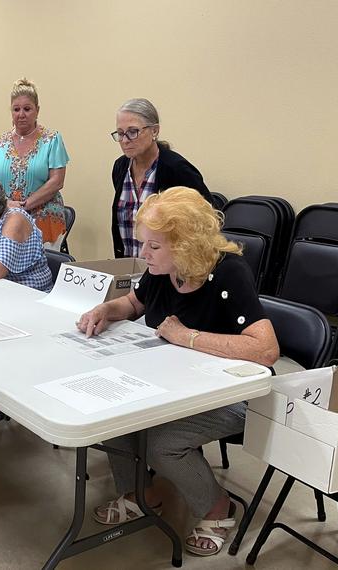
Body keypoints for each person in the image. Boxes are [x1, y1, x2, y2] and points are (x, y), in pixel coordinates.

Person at [77, 187, 278, 557]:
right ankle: (141, 494)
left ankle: (219, 508)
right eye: (144, 244)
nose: (143, 254)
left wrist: (187, 337)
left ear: (185, 244)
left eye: (153, 246)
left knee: (164, 442)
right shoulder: (161, 269)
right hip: (177, 383)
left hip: (236, 395)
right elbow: (135, 302)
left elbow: (265, 350)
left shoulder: (228, 274)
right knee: (111, 416)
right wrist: (106, 310)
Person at [110, 98, 211, 259]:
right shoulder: (121, 167)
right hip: (129, 266)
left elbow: (206, 219)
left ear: (154, 131)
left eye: (132, 132)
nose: (125, 140)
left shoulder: (176, 169)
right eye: (120, 133)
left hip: (169, 269)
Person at [0, 78, 70, 248]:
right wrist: (6, 204)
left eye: (27, 109)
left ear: (37, 110)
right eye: (16, 109)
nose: (21, 114)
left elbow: (57, 181)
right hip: (4, 215)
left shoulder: (52, 140)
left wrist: (23, 206)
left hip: (44, 218)